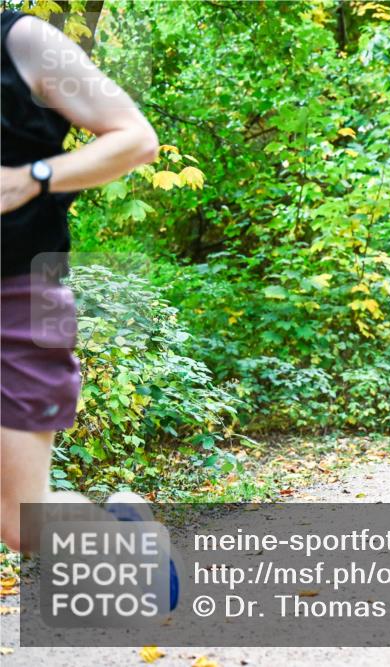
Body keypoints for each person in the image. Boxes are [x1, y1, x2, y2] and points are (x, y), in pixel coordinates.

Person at [0, 11, 178, 611]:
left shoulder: (21, 41)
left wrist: (34, 177)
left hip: (22, 294)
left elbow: (137, 139)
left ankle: (131, 544)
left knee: (22, 522)